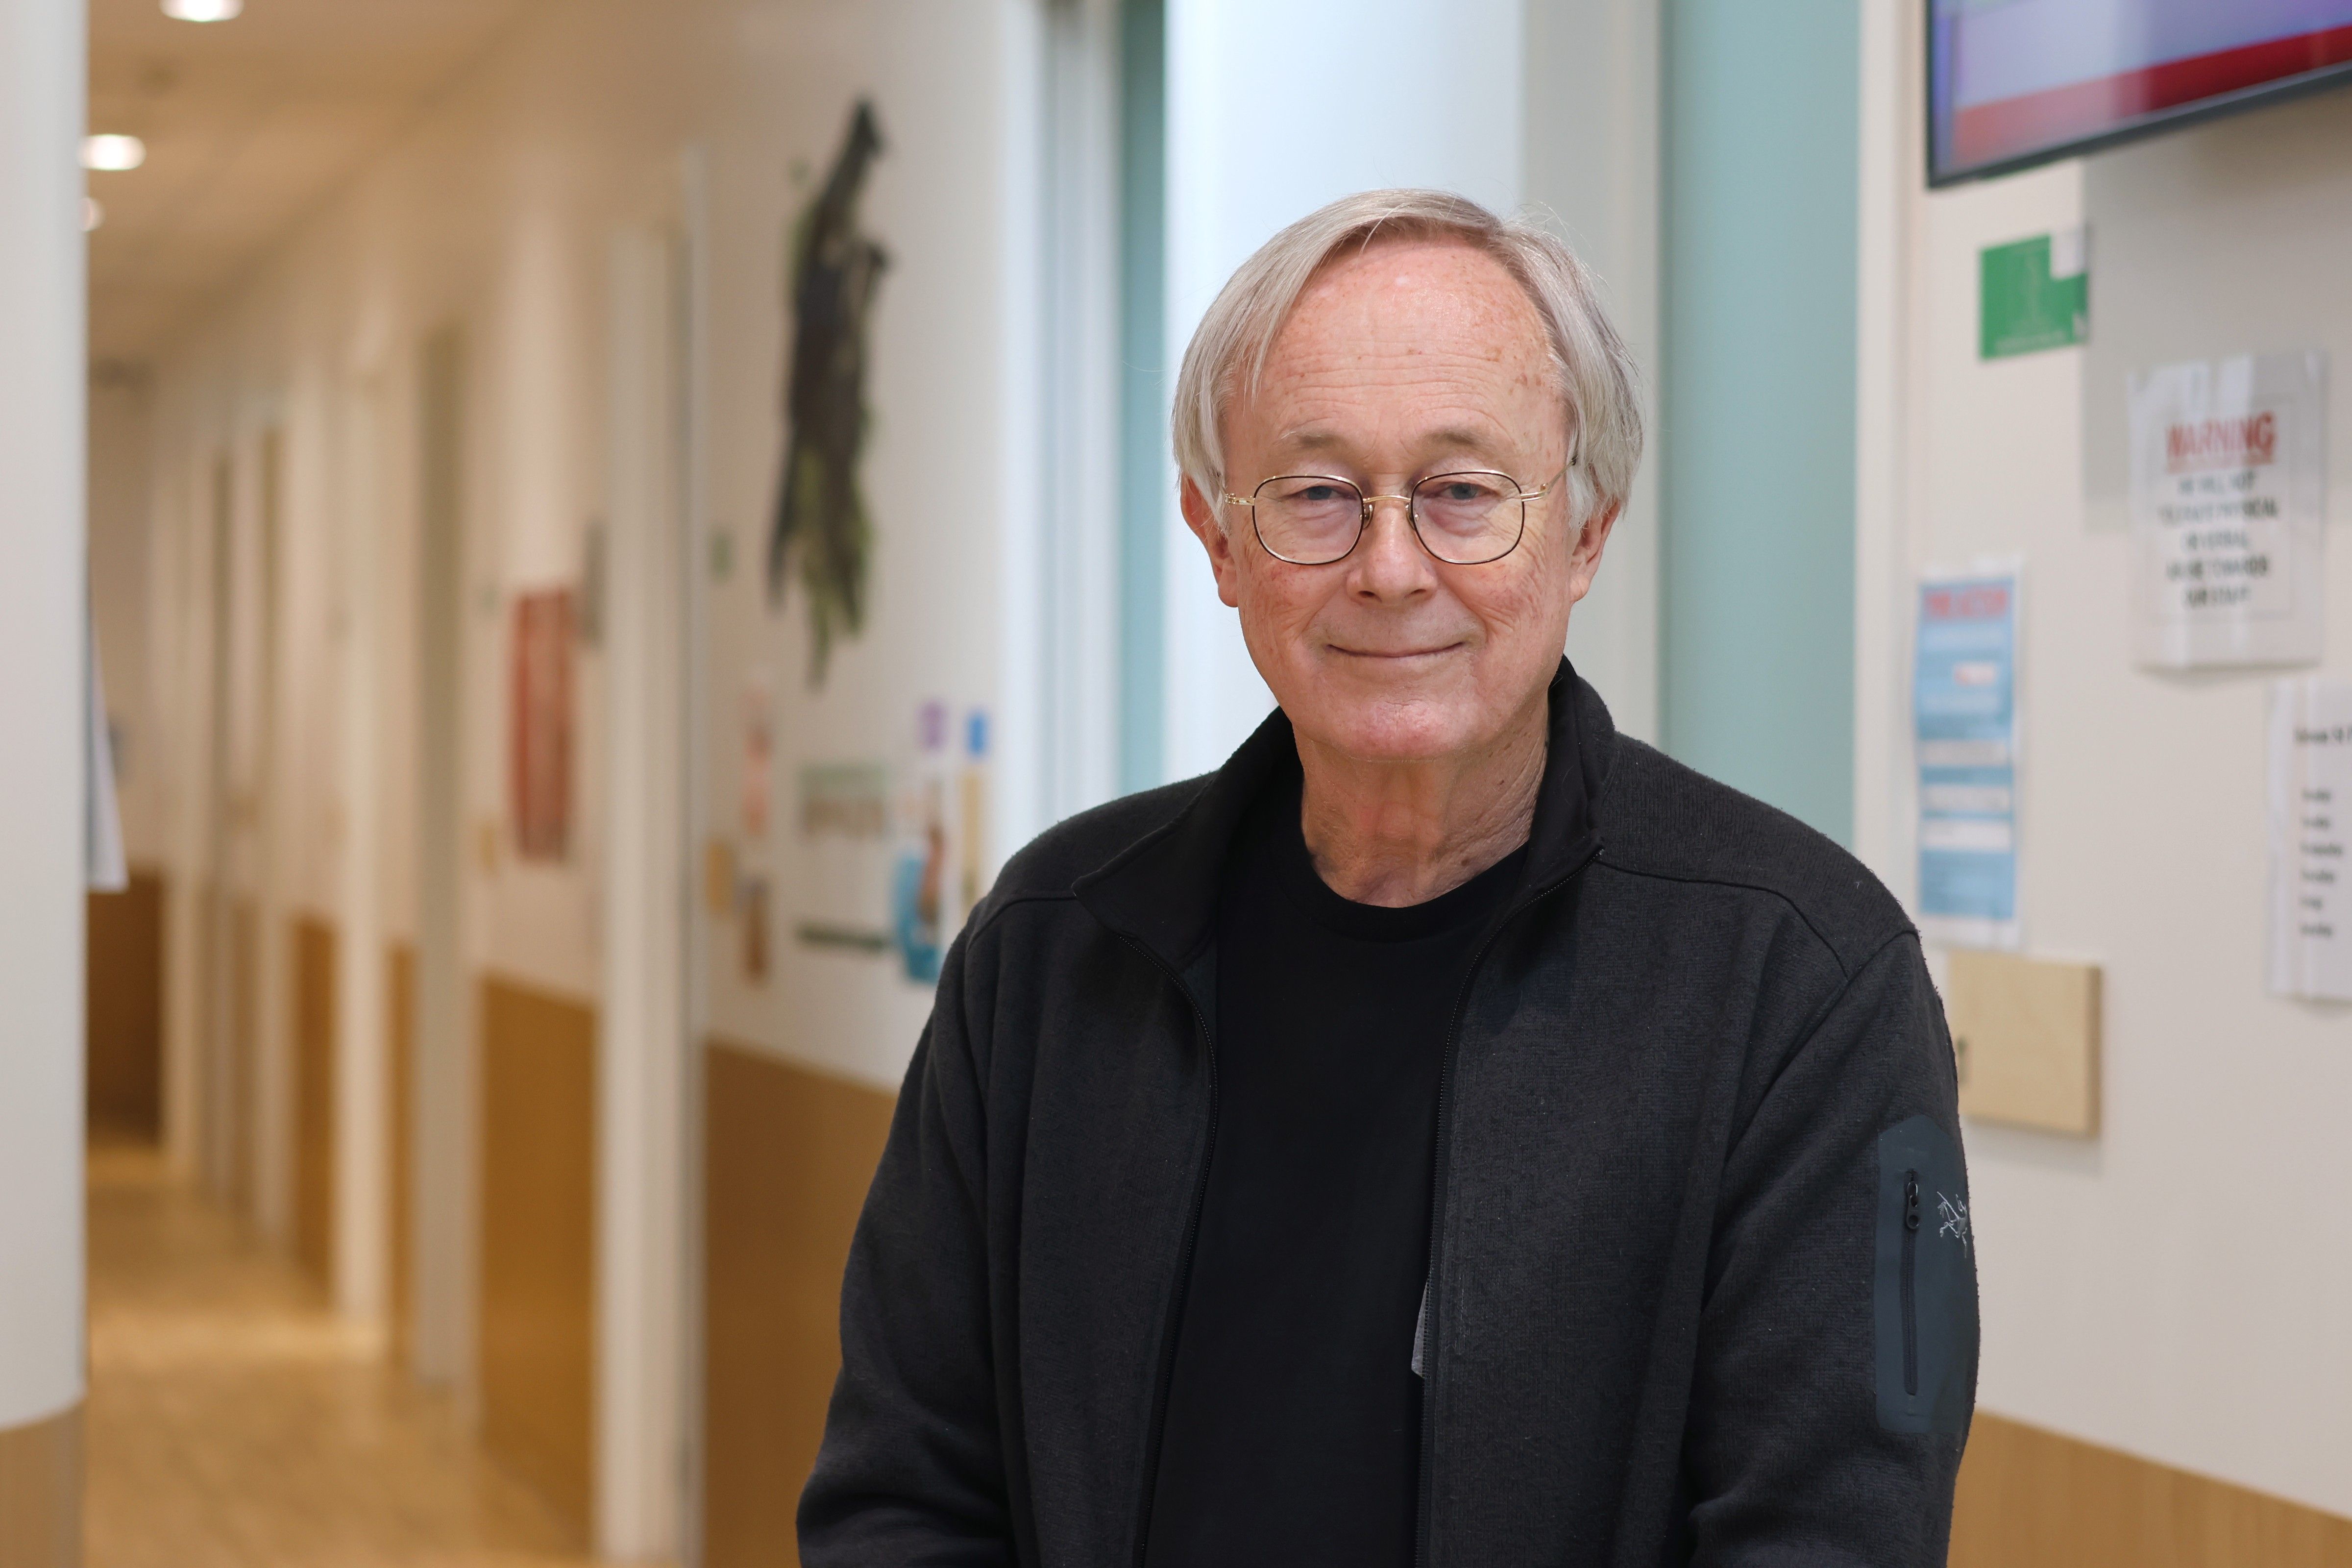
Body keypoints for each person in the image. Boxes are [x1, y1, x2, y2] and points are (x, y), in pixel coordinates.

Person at [797, 189, 1977, 1567]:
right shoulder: (1053, 952)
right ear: (1217, 538)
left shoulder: (1806, 980)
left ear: (1586, 532)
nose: (1391, 567)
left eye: (1465, 493)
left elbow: (1835, 1535)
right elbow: (905, 1493)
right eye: (1316, 497)